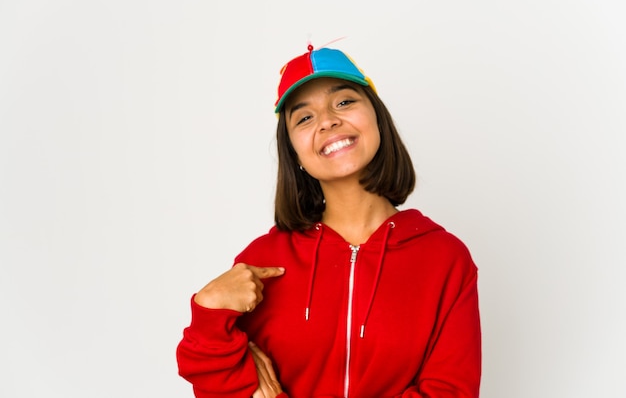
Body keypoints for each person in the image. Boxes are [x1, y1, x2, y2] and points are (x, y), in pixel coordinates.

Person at [176, 45, 482, 398]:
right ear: (294, 152)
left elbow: (450, 391)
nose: (327, 120)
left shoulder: (445, 259)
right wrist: (209, 310)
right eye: (304, 118)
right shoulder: (262, 262)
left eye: (344, 102)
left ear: (377, 118)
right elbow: (215, 383)